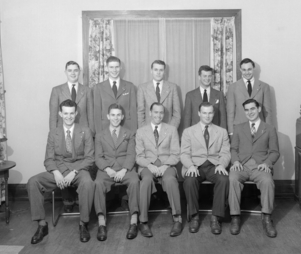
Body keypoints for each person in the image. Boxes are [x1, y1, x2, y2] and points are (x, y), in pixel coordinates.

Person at [27, 99, 95, 244]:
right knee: (33, 181)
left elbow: (90, 158)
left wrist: (74, 172)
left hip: (78, 170)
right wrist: (57, 173)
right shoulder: (53, 133)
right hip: (58, 169)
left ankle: (84, 223)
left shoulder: (86, 131)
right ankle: (41, 225)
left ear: (76, 113)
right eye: (65, 113)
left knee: (88, 182)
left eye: (71, 113)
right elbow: (48, 159)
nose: (69, 116)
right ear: (60, 114)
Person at [228, 99, 280, 238]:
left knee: (268, 181)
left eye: (252, 109)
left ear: (258, 109)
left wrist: (267, 163)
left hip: (260, 167)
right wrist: (235, 161)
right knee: (232, 178)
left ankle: (267, 217)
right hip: (242, 165)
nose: (249, 112)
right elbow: (233, 149)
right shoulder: (238, 128)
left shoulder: (269, 128)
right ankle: (235, 217)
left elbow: (275, 152)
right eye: (246, 110)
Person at [49, 61, 94, 213]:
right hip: (64, 133)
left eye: (76, 70)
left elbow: (90, 114)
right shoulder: (57, 90)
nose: (73, 73)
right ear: (65, 72)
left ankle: (83, 201)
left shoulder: (87, 90)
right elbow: (53, 116)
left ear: (79, 72)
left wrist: (90, 134)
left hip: (82, 135)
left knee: (81, 165)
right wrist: (55, 136)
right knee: (63, 161)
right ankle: (67, 200)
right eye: (70, 70)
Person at [181, 102, 230, 235]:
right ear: (199, 113)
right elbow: (184, 153)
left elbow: (225, 152)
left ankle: (216, 217)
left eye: (210, 113)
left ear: (213, 114)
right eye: (204, 113)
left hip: (214, 165)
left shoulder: (222, 131)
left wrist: (221, 164)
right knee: (189, 181)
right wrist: (190, 166)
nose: (207, 116)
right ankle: (194, 216)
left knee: (224, 179)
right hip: (195, 166)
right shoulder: (188, 132)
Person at [94, 104, 140, 241]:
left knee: (135, 181)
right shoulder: (100, 135)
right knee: (98, 183)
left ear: (123, 117)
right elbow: (98, 157)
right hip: (106, 168)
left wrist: (124, 170)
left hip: (125, 168)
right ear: (108, 116)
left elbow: (131, 155)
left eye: (118, 115)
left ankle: (134, 220)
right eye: (113, 115)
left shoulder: (129, 133)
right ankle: (101, 222)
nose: (116, 118)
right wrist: (107, 169)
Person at [136, 102, 182, 237]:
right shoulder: (141, 131)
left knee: (170, 180)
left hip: (166, 165)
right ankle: (143, 221)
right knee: (146, 180)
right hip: (147, 165)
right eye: (155, 112)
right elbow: (139, 157)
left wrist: (165, 165)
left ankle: (177, 218)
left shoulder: (171, 130)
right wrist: (149, 166)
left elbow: (176, 154)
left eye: (161, 112)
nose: (158, 115)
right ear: (150, 113)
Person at [226, 58, 272, 137]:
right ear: (240, 70)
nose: (247, 72)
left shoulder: (264, 87)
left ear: (253, 69)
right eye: (244, 70)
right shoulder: (233, 87)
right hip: (239, 129)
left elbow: (267, 112)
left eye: (249, 69)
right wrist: (231, 132)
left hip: (259, 129)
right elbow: (230, 112)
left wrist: (269, 131)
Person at [92, 56, 138, 134]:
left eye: (117, 67)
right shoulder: (98, 88)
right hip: (105, 128)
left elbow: (133, 111)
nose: (114, 70)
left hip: (126, 127)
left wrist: (133, 132)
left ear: (120, 68)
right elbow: (97, 113)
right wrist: (99, 134)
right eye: (111, 67)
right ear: (107, 68)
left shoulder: (130, 86)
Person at [137, 60, 181, 129]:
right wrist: (145, 131)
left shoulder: (172, 87)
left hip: (167, 130)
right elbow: (140, 113)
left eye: (161, 70)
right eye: (155, 70)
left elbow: (177, 113)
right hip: (148, 131)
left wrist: (170, 130)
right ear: (151, 71)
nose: (158, 73)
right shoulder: (142, 88)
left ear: (164, 72)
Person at [183, 65, 227, 129]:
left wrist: (223, 134)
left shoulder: (219, 94)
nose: (207, 79)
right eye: (204, 76)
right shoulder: (190, 95)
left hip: (214, 133)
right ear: (199, 77)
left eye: (209, 76)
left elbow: (222, 118)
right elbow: (187, 119)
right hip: (195, 133)